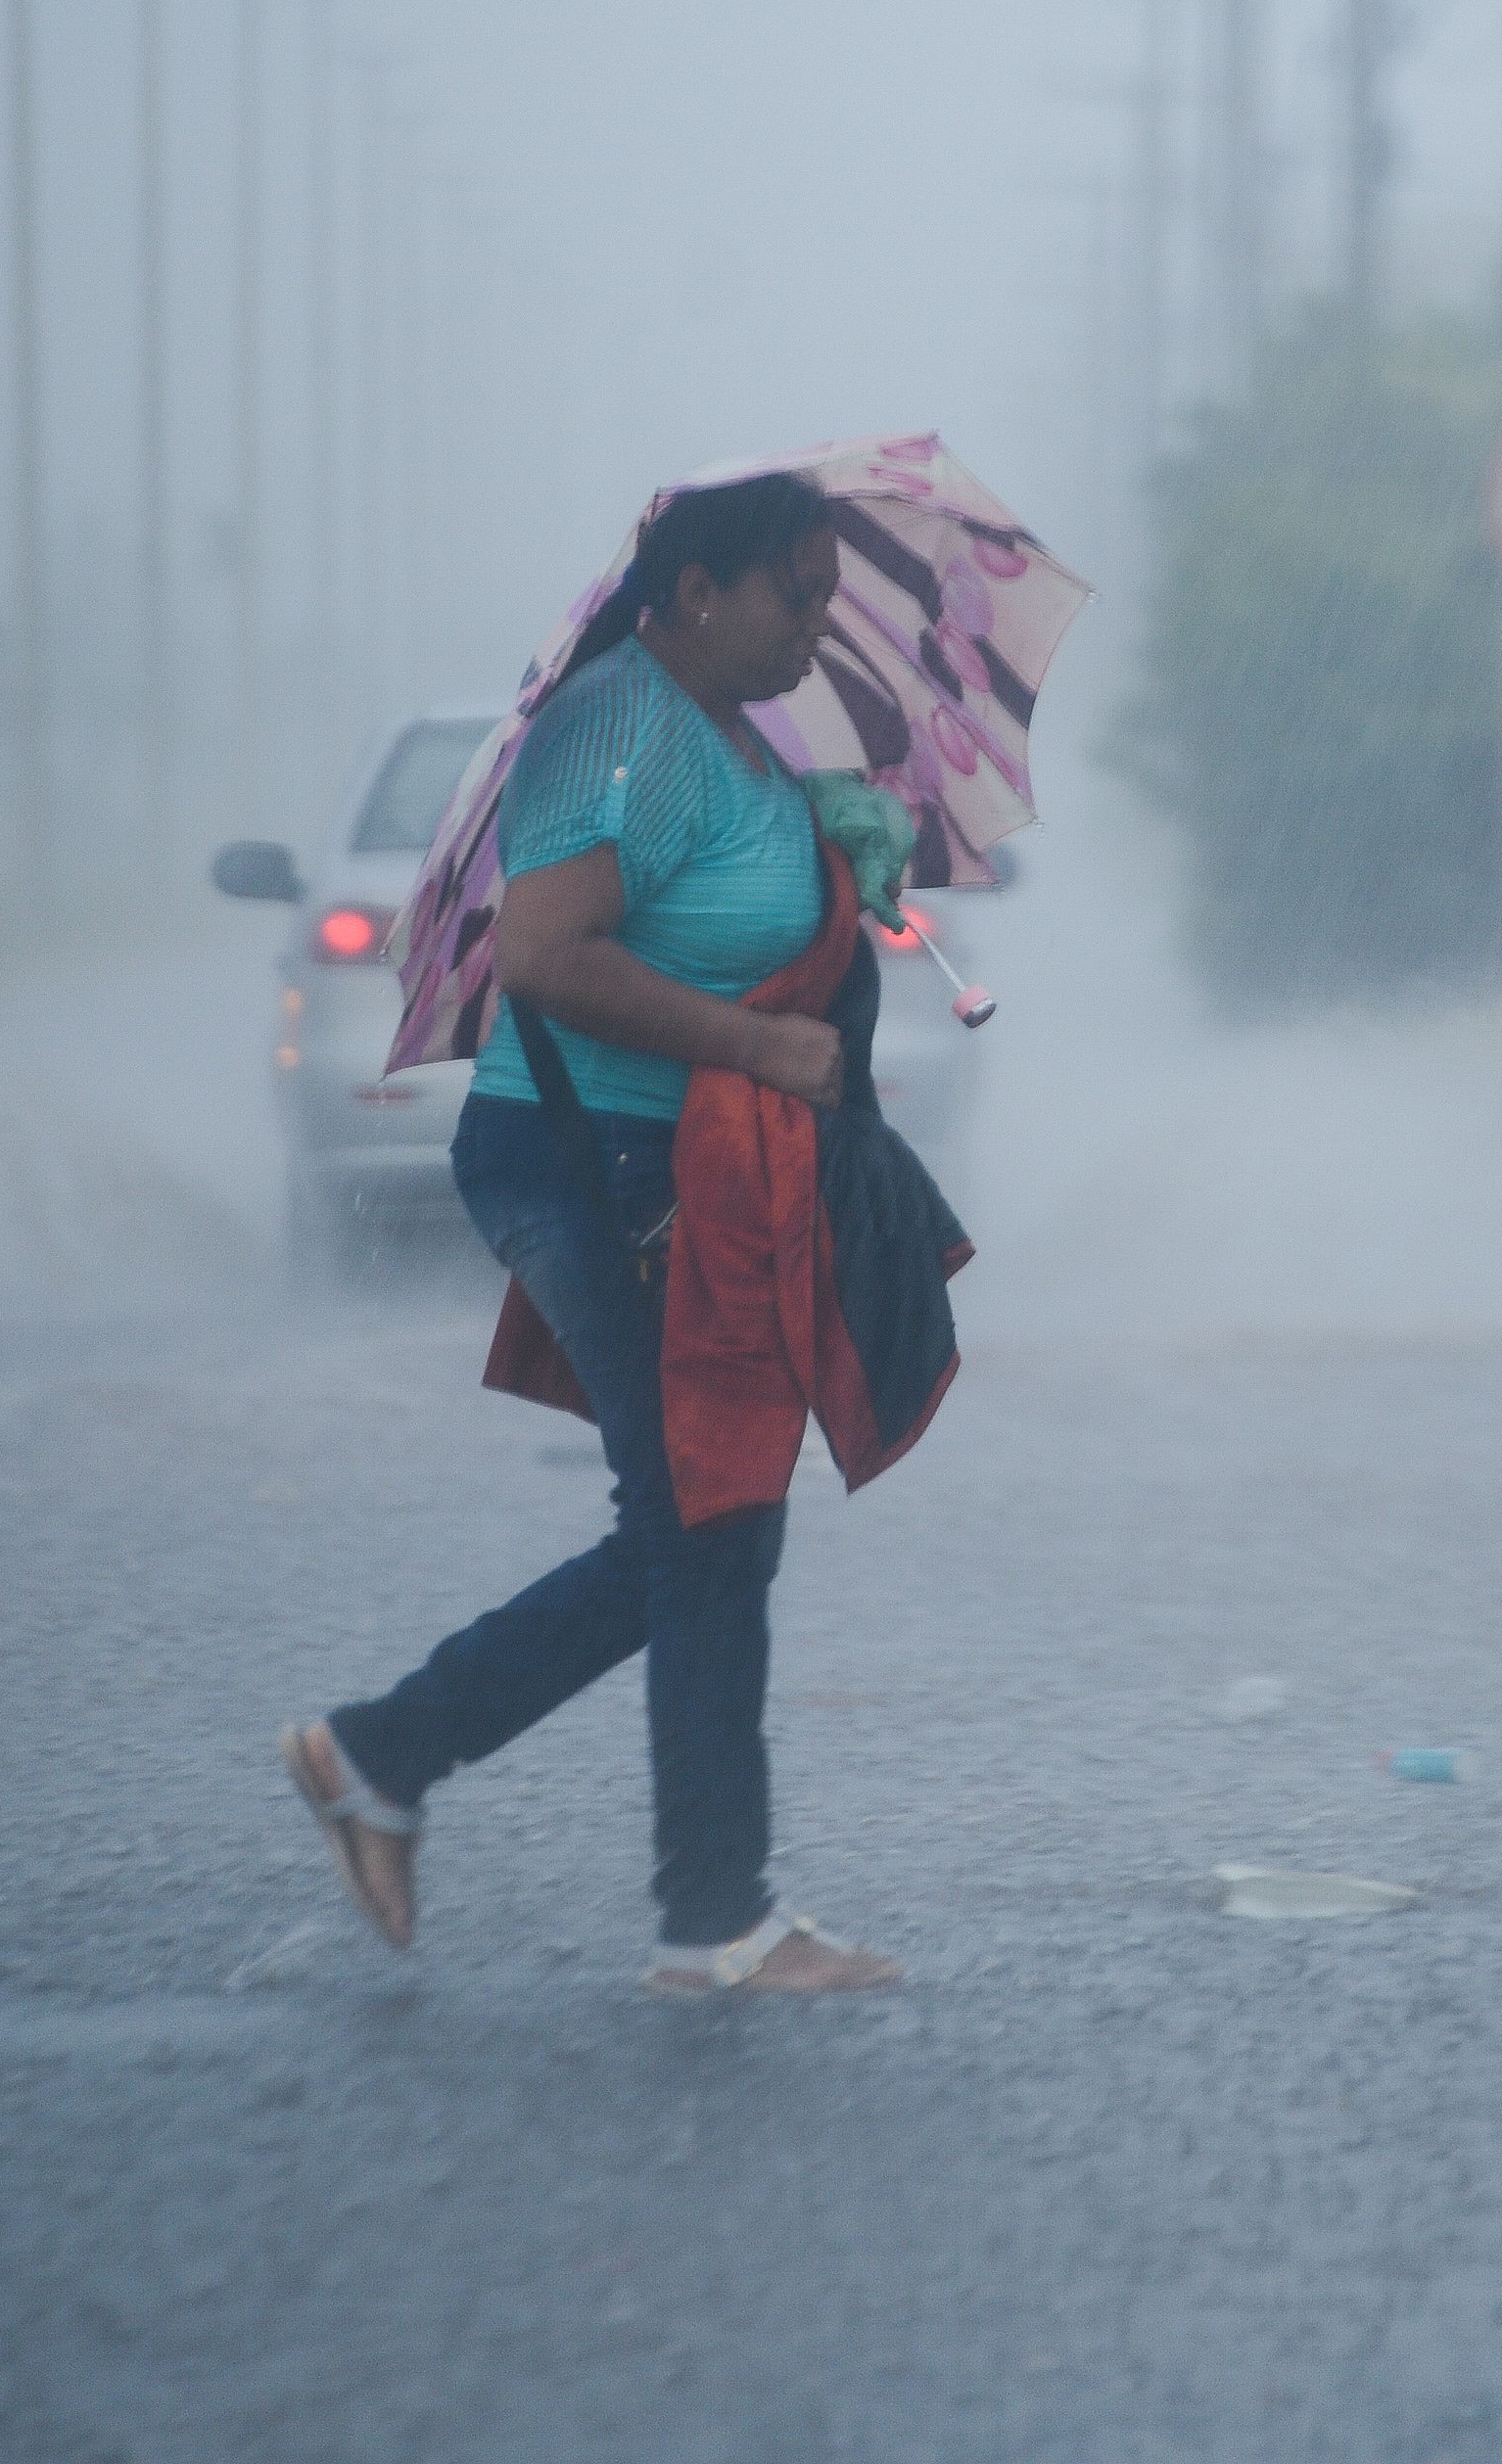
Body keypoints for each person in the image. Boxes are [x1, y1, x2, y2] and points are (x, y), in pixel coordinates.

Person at [281, 474, 906, 1997]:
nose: (821, 628)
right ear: (694, 590)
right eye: (796, 595)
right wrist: (760, 1053)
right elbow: (551, 958)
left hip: (671, 1164)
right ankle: (707, 1918)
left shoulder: (719, 731)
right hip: (594, 1166)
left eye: (833, 597)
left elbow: (711, 917)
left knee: (704, 1523)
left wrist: (836, 847)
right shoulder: (619, 728)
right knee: (706, 1518)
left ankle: (389, 1757)